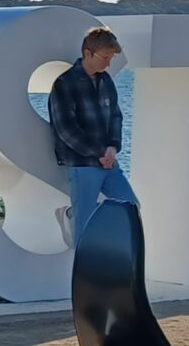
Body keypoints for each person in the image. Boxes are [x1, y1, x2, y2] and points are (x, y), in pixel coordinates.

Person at [46, 26, 137, 240]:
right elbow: (66, 129)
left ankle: (72, 215)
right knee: (84, 225)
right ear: (87, 53)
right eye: (105, 57)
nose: (108, 63)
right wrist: (99, 152)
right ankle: (80, 267)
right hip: (81, 163)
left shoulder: (106, 81)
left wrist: (113, 147)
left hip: (108, 162)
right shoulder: (64, 84)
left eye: (111, 57)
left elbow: (116, 116)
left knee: (130, 207)